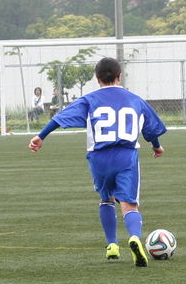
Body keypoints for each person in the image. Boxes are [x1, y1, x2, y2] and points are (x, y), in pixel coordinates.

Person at [28, 58, 165, 266]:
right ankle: (135, 237)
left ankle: (112, 245)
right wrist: (156, 146)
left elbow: (60, 118)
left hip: (99, 157)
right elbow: (151, 128)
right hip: (126, 155)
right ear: (119, 77)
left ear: (97, 78)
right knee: (129, 204)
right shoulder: (135, 100)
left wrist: (41, 136)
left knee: (106, 199)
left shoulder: (89, 99)